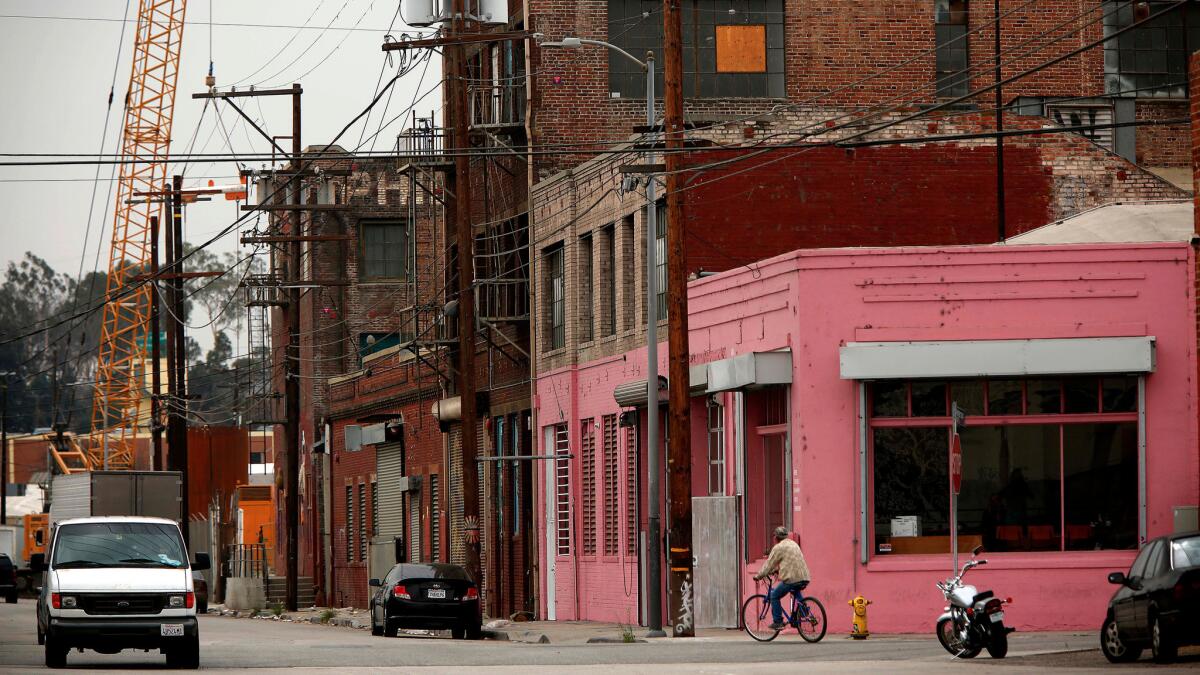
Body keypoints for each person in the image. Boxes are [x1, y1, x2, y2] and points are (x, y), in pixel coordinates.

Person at [753, 526, 811, 630]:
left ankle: (778, 622)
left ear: (776, 537)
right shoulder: (794, 544)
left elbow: (769, 564)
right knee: (796, 591)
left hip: (791, 578)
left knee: (774, 596)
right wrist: (777, 570)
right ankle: (805, 612)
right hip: (804, 576)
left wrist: (759, 576)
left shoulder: (778, 547)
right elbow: (790, 562)